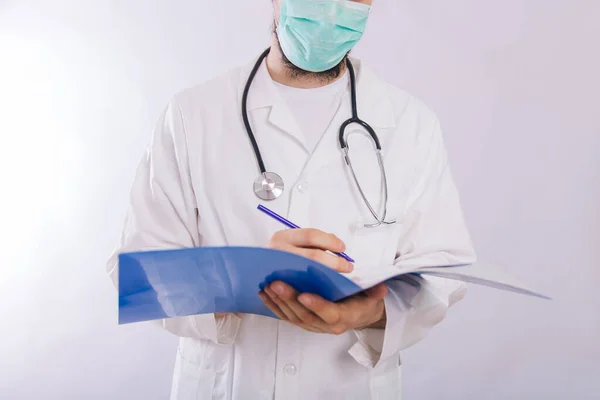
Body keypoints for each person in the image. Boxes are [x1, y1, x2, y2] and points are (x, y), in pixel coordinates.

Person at [107, 0, 476, 398]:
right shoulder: (192, 113)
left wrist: (370, 312)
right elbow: (135, 276)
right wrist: (244, 279)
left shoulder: (410, 122)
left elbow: (441, 273)